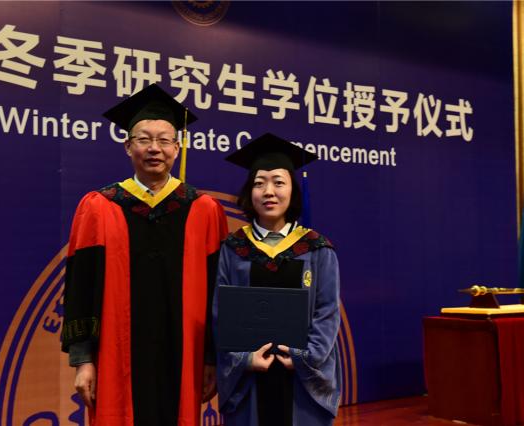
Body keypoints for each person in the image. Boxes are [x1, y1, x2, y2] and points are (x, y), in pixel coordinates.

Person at [61, 84, 228, 426]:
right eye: (143, 139)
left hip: (184, 358)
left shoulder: (204, 210)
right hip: (114, 357)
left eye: (164, 140)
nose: (154, 148)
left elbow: (218, 293)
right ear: (128, 146)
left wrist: (212, 359)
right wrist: (83, 359)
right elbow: (80, 288)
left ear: (177, 147)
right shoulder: (100, 207)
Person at [213, 133, 342, 426]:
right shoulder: (233, 248)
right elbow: (222, 313)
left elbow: (327, 312)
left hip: (300, 379)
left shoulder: (317, 248)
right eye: (259, 183)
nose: (268, 191)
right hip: (250, 378)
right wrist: (244, 359)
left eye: (279, 182)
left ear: (293, 191)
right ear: (249, 192)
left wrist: (304, 356)